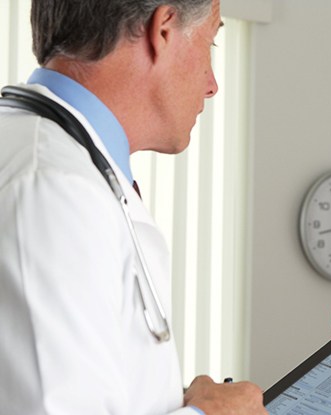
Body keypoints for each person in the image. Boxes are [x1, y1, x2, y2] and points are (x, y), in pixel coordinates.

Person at [0, 0, 267, 414]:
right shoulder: (49, 188)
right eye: (209, 43)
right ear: (163, 29)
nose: (212, 84)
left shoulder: (58, 162)